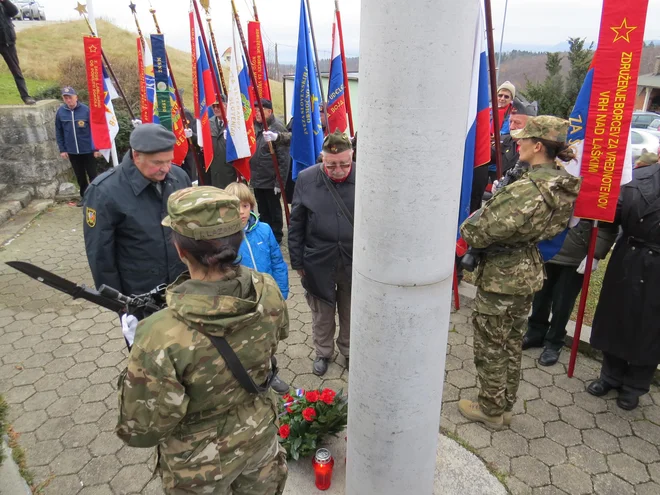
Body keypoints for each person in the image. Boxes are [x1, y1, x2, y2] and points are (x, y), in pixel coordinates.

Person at [116, 187, 288, 494]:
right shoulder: (268, 288)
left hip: (198, 463)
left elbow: (141, 430)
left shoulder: (159, 334)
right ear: (237, 239)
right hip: (259, 435)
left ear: (180, 250)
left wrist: (139, 353)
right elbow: (279, 333)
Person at [458, 116, 581, 429]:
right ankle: (505, 403)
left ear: (538, 146)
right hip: (526, 268)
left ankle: (490, 408)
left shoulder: (528, 190)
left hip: (503, 275)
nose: (518, 143)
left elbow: (476, 232)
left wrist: (489, 207)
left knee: (490, 345)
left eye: (523, 139)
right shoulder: (559, 181)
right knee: (511, 342)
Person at [586, 156, 660, 411]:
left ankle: (635, 386)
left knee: (651, 328)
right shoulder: (636, 176)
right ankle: (610, 375)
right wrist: (598, 203)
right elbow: (614, 213)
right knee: (616, 318)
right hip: (628, 259)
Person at [83, 124, 192, 298]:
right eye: (157, 162)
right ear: (136, 156)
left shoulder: (179, 178)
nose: (166, 168)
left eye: (169, 160)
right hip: (139, 292)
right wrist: (117, 302)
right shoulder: (104, 191)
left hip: (182, 286)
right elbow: (100, 255)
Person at [289, 130, 355, 376]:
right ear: (322, 159)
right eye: (331, 165)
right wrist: (297, 261)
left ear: (353, 157)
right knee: (322, 313)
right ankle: (323, 352)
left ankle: (349, 350)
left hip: (353, 261)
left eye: (344, 164)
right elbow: (296, 223)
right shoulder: (306, 179)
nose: (338, 170)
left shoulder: (366, 175)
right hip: (318, 261)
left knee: (350, 310)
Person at [522, 220, 616, 366]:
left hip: (575, 256)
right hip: (546, 248)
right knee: (540, 295)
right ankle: (535, 332)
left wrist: (596, 254)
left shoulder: (598, 195)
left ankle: (554, 342)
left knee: (563, 302)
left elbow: (607, 226)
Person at [250, 98, 290, 244]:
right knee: (262, 209)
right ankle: (264, 234)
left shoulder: (277, 128)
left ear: (269, 111)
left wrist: (279, 183)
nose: (257, 114)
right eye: (255, 111)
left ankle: (276, 236)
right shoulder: (255, 126)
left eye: (260, 111)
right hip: (258, 178)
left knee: (274, 210)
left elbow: (284, 159)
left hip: (271, 179)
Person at [55, 87, 100, 206]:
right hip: (72, 151)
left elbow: (94, 130)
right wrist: (62, 149)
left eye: (70, 97)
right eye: (65, 98)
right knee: (80, 176)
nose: (68, 100)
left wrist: (96, 148)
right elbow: (59, 131)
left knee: (92, 175)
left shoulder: (86, 110)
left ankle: (96, 198)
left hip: (88, 150)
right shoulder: (61, 112)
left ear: (76, 97)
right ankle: (84, 197)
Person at [0, 0, 35, 105]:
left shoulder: (3, 3)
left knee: (16, 71)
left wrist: (5, 1)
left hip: (7, 42)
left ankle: (26, 96)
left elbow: (14, 12)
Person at [210, 96, 239, 188]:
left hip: (231, 171)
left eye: (218, 106)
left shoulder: (234, 122)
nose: (215, 108)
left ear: (226, 106)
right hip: (215, 171)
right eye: (213, 106)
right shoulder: (209, 123)